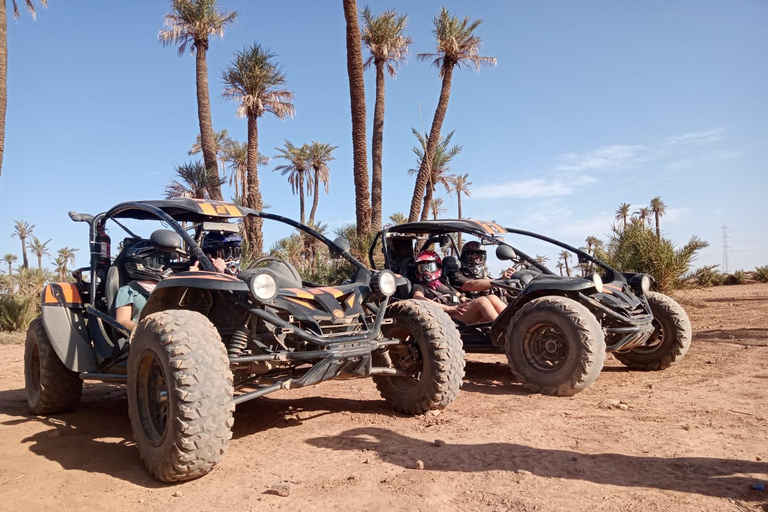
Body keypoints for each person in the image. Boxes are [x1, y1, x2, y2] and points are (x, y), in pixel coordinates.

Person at [410, 250, 505, 324]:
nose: (425, 271)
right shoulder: (419, 286)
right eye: (421, 268)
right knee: (482, 301)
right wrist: (448, 308)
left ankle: (514, 324)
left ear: (438, 267)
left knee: (491, 297)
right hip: (447, 316)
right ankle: (504, 332)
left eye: (430, 267)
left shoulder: (442, 282)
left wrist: (465, 299)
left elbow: (457, 294)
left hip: (457, 310)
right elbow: (418, 299)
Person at [114, 242, 173, 331]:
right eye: (157, 263)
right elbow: (122, 322)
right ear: (139, 264)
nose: (162, 268)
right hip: (142, 339)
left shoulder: (169, 288)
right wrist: (152, 329)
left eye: (164, 263)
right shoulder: (128, 290)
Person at [447, 241, 515, 299]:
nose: (475, 262)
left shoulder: (487, 278)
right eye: (471, 258)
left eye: (478, 258)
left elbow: (508, 296)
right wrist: (500, 280)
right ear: (464, 259)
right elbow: (472, 285)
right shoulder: (456, 276)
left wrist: (508, 281)